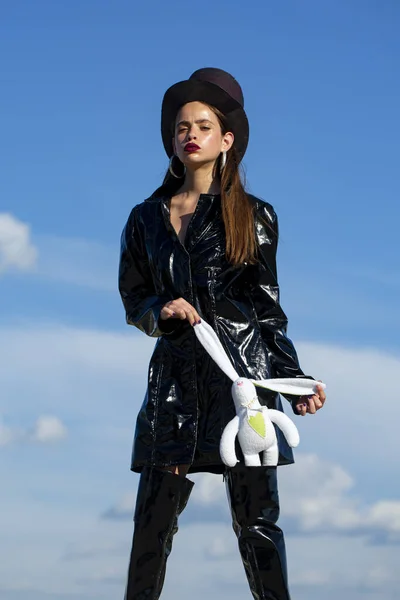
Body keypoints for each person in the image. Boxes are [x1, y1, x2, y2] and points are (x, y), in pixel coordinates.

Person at [118, 67, 326, 600]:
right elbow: (133, 299)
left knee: (257, 525)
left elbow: (267, 308)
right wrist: (161, 309)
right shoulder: (144, 218)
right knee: (151, 527)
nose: (190, 134)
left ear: (226, 139)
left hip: (243, 384)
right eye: (182, 127)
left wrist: (291, 380)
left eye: (203, 126)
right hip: (172, 386)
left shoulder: (255, 216)